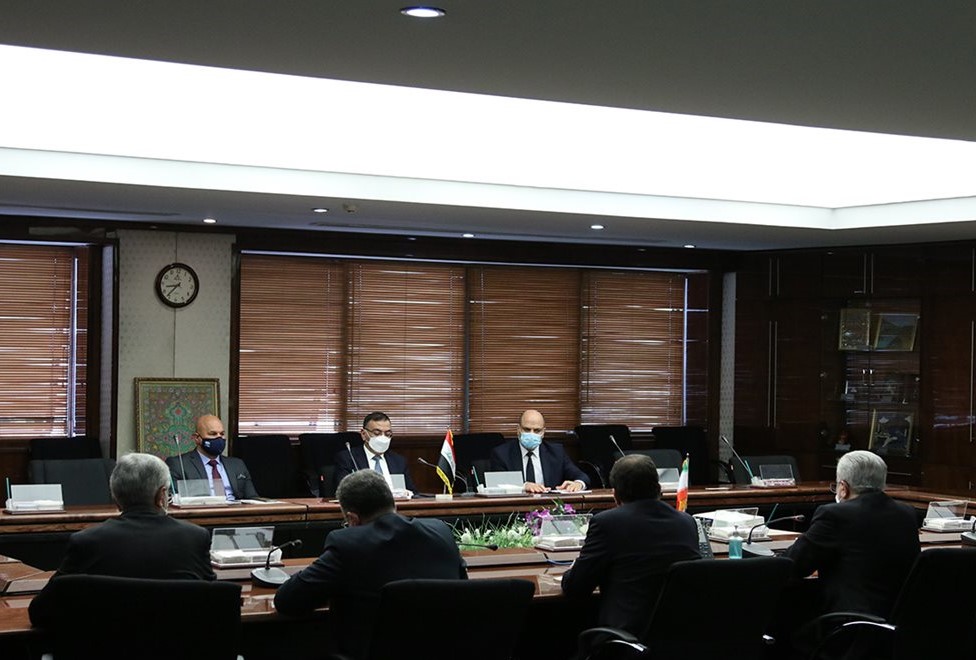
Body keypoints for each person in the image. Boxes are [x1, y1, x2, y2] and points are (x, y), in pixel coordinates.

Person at [275, 469, 466, 659]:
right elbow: (461, 586)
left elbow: (287, 601)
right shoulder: (440, 531)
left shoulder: (348, 544)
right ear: (394, 505)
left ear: (352, 519)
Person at [29, 453, 215, 626]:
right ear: (161, 495)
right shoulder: (195, 537)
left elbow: (40, 611)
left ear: (115, 496)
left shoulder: (87, 541)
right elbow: (214, 601)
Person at [560, 454, 701, 635]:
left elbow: (576, 588)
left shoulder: (607, 523)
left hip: (626, 636)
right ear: (659, 488)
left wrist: (572, 570)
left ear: (615, 495)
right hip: (679, 635)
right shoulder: (686, 522)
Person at [784, 450, 920, 617]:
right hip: (898, 623)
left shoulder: (835, 515)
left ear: (843, 487)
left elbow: (793, 565)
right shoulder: (907, 513)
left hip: (849, 623)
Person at [489, 409, 589, 493]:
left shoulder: (556, 452)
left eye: (537, 430)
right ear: (518, 430)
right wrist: (524, 486)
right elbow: (497, 482)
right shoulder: (502, 453)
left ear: (543, 432)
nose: (531, 434)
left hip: (548, 506)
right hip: (516, 507)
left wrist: (578, 483)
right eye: (527, 429)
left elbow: (581, 476)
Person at [166, 414, 259, 500]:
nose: (219, 438)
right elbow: (173, 500)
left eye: (222, 434)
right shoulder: (179, 464)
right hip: (201, 511)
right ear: (197, 438)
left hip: (235, 511)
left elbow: (253, 499)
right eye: (213, 434)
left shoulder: (237, 464)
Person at [333, 411, 417, 493]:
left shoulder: (398, 461)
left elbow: (412, 492)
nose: (383, 438)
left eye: (387, 434)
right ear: (363, 434)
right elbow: (344, 491)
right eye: (377, 433)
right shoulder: (348, 458)